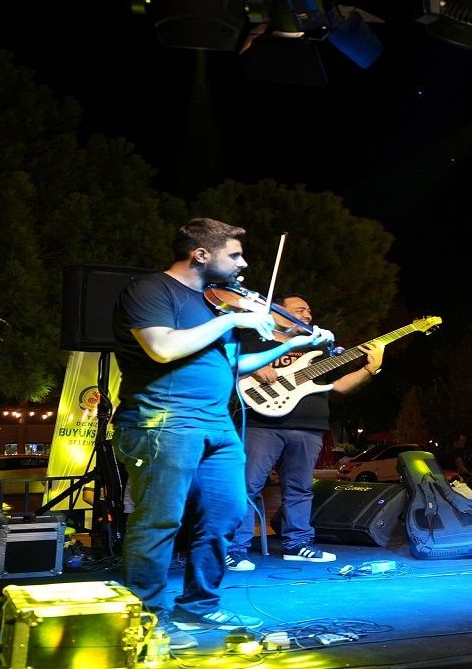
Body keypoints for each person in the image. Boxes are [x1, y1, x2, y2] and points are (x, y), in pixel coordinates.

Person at [111, 218, 335, 650]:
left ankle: (198, 605)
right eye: (234, 255)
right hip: (163, 420)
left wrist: (289, 346)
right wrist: (235, 320)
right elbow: (163, 347)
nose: (243, 264)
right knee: (159, 520)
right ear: (200, 254)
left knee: (226, 512)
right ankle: (147, 617)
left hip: (216, 423)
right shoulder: (150, 290)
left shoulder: (216, 305)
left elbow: (233, 367)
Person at [226, 293, 384, 571]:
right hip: (262, 425)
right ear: (277, 312)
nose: (308, 315)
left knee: (300, 489)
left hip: (309, 427)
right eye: (300, 310)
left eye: (310, 311)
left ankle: (297, 544)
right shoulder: (251, 339)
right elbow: (225, 365)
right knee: (247, 486)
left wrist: (371, 369)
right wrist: (250, 368)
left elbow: (340, 387)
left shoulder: (318, 347)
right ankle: (234, 549)